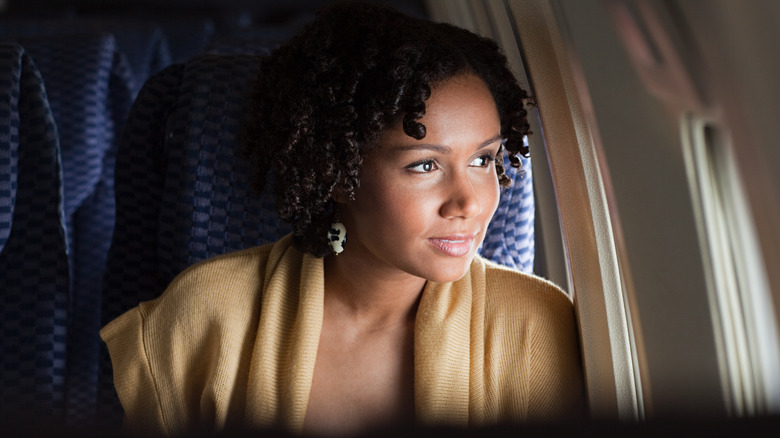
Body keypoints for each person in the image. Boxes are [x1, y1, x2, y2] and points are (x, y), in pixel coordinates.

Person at [100, 2, 585, 436]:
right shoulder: (202, 317)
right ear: (337, 172)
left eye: (483, 160)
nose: (469, 203)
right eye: (424, 165)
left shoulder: (537, 328)